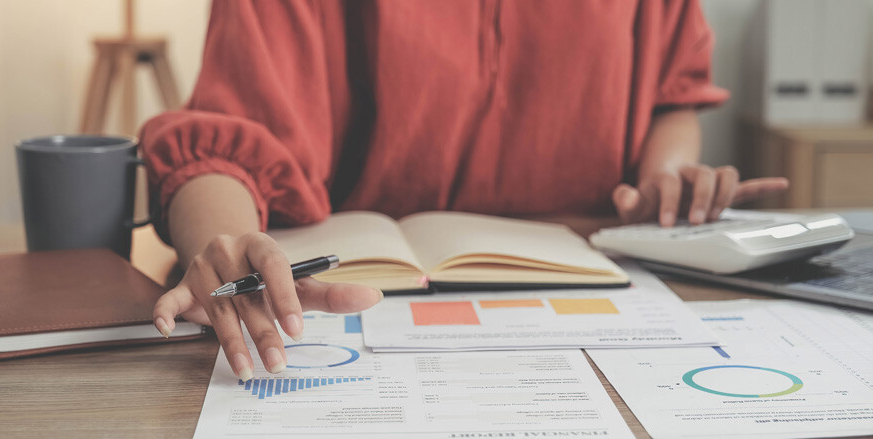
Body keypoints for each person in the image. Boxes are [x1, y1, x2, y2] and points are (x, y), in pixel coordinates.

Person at [139, 0, 788, 380]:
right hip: (353, 300)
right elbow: (226, 139)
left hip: (598, 286)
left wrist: (664, 179)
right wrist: (223, 241)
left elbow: (670, 96)